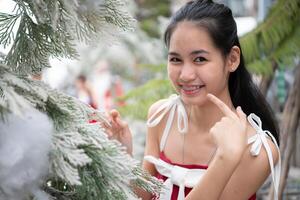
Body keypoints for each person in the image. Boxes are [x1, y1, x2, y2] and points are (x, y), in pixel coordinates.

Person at [102, 0, 281, 199]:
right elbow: (145, 194)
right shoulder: (162, 117)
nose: (185, 75)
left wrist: (226, 157)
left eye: (200, 59)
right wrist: (121, 157)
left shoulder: (257, 149)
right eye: (176, 59)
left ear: (232, 59)